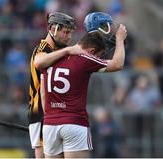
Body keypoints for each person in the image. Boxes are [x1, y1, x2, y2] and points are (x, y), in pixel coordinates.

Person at [37, 22, 127, 158]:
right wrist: (120, 39)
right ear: (91, 51)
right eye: (99, 55)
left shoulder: (49, 59)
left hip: (50, 124)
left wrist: (50, 119)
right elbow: (117, 64)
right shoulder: (86, 59)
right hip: (74, 124)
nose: (97, 58)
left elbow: (43, 95)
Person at [28, 12, 81, 158]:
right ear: (52, 29)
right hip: (41, 114)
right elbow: (39, 62)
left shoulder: (58, 51)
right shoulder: (43, 47)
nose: (69, 37)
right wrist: (68, 51)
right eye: (65, 32)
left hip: (57, 115)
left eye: (70, 33)